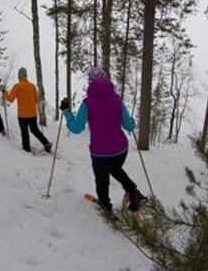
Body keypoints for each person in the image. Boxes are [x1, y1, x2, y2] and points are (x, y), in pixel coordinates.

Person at [60, 67, 147, 212]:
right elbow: (129, 125)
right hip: (120, 149)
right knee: (115, 169)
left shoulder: (88, 103)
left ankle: (105, 205)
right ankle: (133, 192)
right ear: (106, 79)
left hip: (100, 153)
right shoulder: (117, 99)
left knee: (102, 181)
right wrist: (132, 120)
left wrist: (67, 112)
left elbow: (76, 128)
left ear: (90, 82)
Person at [1, 67, 52, 153]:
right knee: (35, 130)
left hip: (22, 114)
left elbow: (10, 99)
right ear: (26, 75)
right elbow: (37, 100)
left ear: (19, 76)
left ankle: (26, 148)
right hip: (33, 113)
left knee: (24, 132)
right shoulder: (32, 86)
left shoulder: (17, 86)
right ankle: (46, 143)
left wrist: (4, 92)